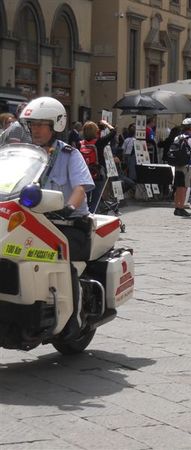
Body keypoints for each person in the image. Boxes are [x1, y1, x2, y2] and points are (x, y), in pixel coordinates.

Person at [20, 96, 94, 339]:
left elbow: (81, 186)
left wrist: (69, 208)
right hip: (36, 224)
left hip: (68, 225)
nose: (35, 130)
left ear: (55, 126)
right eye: (32, 125)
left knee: (62, 254)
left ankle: (74, 318)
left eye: (41, 125)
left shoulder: (70, 155)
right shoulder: (25, 156)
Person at [173, 118, 191, 216]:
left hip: (177, 165)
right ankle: (181, 207)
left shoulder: (177, 137)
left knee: (178, 187)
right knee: (184, 187)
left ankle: (176, 207)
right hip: (186, 165)